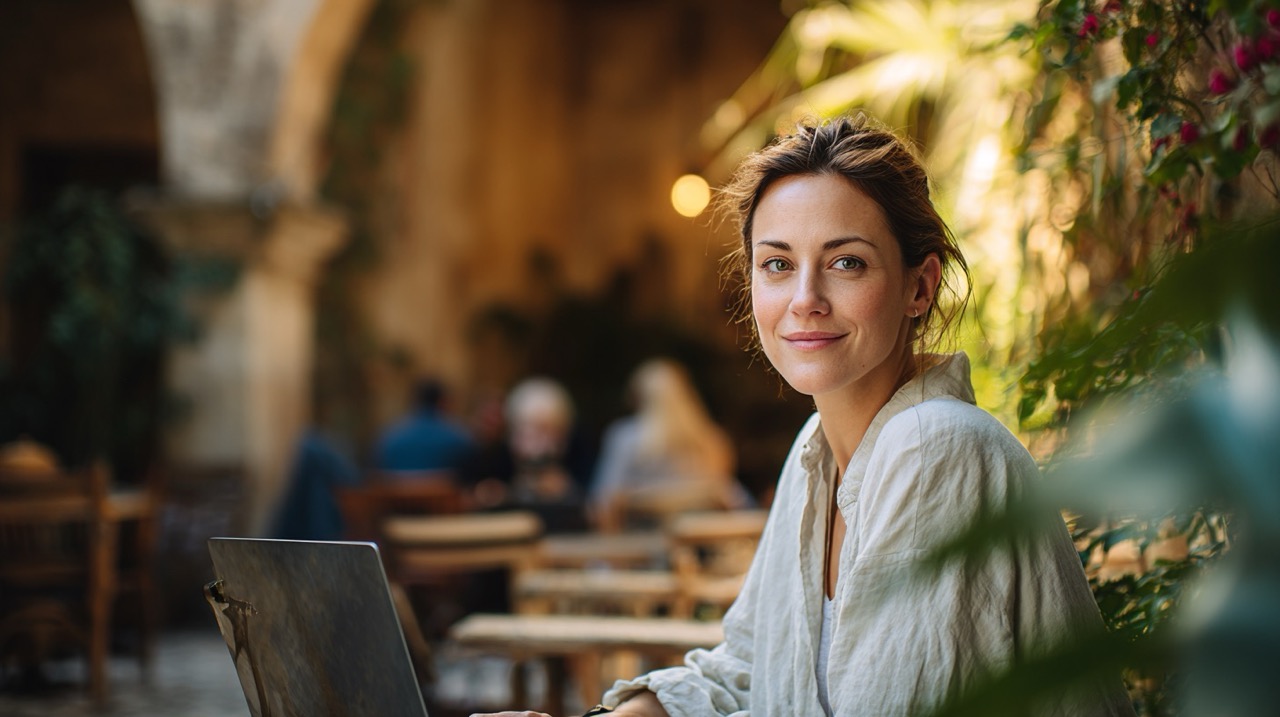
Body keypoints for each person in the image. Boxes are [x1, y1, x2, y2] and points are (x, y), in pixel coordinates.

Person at [473, 114, 1134, 716]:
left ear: (919, 285)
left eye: (847, 262)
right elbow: (748, 666)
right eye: (778, 265)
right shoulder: (814, 450)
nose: (805, 299)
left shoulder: (937, 449)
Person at [589, 358, 748, 532]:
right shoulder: (712, 439)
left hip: (640, 544)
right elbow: (729, 494)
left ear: (638, 397)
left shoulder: (625, 438)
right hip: (702, 541)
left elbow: (603, 500)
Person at [374, 377, 475, 476]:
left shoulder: (390, 436)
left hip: (396, 492)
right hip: (444, 491)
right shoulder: (459, 437)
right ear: (442, 401)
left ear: (415, 400)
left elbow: (378, 468)